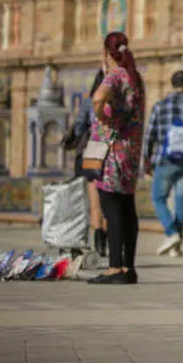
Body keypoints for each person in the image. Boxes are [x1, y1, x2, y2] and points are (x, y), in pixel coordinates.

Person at [87, 31, 146, 285]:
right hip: (130, 153)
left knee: (111, 209)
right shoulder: (135, 78)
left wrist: (101, 117)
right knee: (127, 208)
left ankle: (114, 268)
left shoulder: (114, 76)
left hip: (109, 152)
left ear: (106, 53)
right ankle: (128, 267)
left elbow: (98, 97)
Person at [145, 70, 183, 257]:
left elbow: (150, 135)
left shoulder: (160, 106)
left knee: (158, 198)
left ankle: (172, 234)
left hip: (164, 160)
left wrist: (146, 159)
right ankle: (176, 243)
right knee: (181, 200)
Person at [70, 70, 107, 257]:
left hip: (93, 150)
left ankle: (98, 239)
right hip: (114, 153)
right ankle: (106, 239)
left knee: (94, 199)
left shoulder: (88, 102)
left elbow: (78, 128)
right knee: (108, 199)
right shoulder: (118, 102)